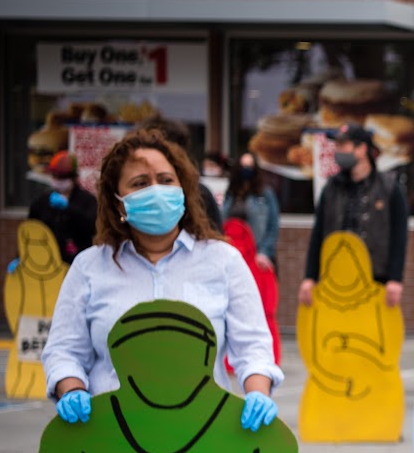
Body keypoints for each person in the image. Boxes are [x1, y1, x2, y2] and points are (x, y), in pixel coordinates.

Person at [41, 128, 283, 434]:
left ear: (183, 189)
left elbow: (253, 347)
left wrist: (258, 393)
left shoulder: (224, 261)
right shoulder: (89, 267)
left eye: (166, 180)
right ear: (118, 203)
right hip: (111, 437)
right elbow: (64, 350)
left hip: (205, 436)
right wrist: (72, 389)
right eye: (140, 183)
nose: (156, 190)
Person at [299, 123, 408, 311]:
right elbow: (318, 235)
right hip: (335, 279)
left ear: (362, 149)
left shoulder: (389, 188)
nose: (338, 151)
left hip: (376, 281)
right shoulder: (331, 188)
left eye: (343, 145)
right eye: (337, 146)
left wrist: (395, 278)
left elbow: (399, 236)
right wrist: (310, 277)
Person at [26, 151, 97, 264]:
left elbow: (92, 228)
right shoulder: (41, 202)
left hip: (77, 262)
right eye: (55, 176)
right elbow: (30, 230)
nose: (58, 180)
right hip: (46, 262)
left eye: (63, 177)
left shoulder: (88, 201)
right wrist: (22, 256)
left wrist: (69, 209)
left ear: (74, 177)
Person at [222, 151, 281, 269]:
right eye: (243, 166)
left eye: (250, 166)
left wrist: (264, 252)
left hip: (257, 255)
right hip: (234, 254)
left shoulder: (265, 194)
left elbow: (273, 226)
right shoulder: (231, 194)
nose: (246, 170)